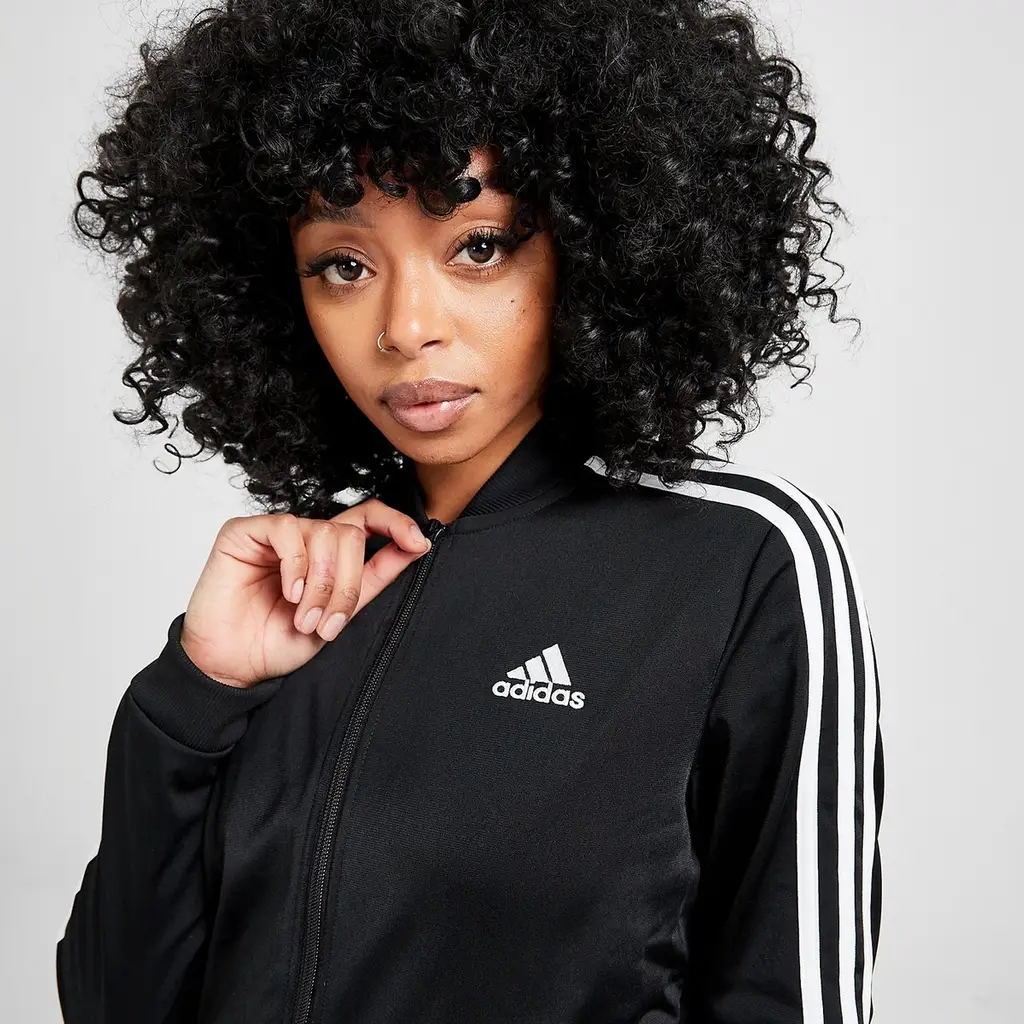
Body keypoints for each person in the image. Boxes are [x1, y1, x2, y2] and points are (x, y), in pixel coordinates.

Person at [56, 0, 883, 1021]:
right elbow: (113, 1003)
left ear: (596, 248)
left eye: (478, 247)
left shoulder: (738, 560)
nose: (406, 327)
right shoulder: (297, 599)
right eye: (345, 265)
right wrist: (195, 693)